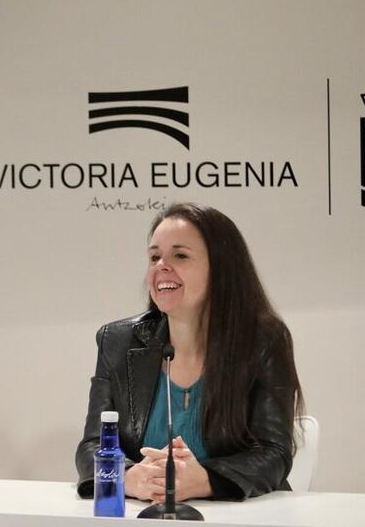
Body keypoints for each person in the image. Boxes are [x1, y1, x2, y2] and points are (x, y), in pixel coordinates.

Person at [75, 202, 304, 502]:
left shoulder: (262, 341)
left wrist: (204, 480)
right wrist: (128, 478)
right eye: (154, 256)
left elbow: (273, 453)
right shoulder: (118, 341)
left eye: (180, 255)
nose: (161, 266)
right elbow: (92, 446)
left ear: (221, 269)